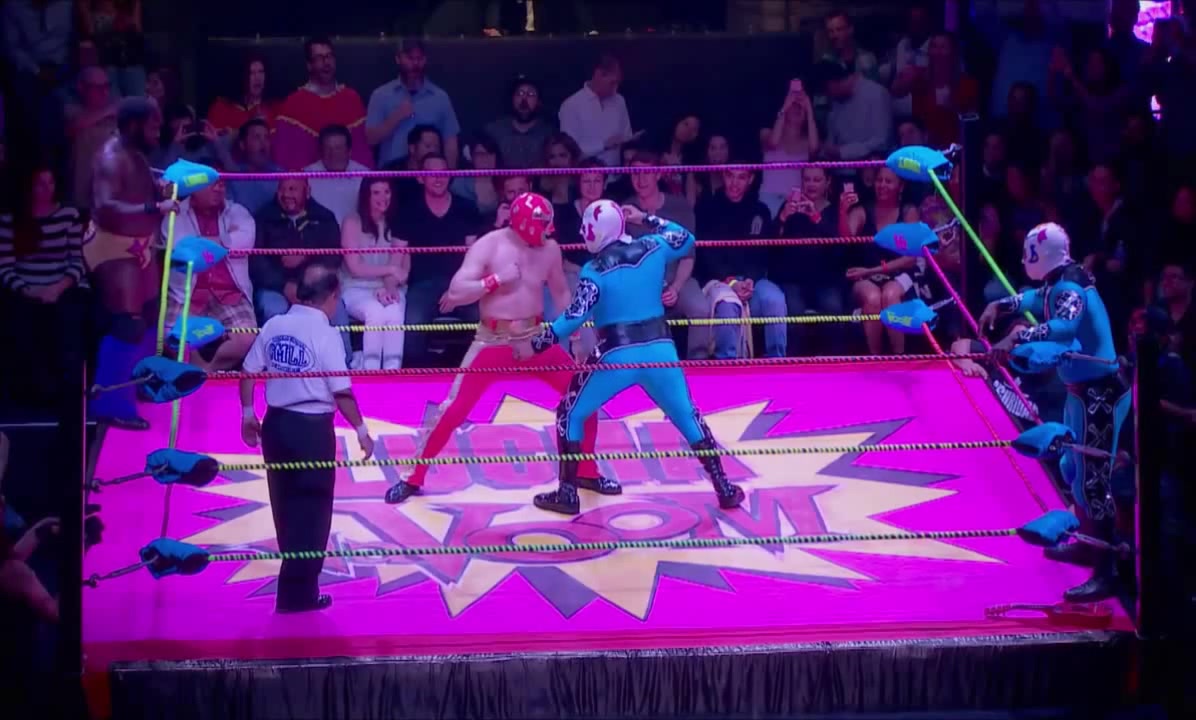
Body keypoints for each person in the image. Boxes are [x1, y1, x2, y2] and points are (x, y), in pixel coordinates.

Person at [384, 193, 615, 504]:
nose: (547, 232)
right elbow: (457, 291)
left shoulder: (549, 249)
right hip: (492, 340)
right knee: (452, 409)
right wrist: (494, 280)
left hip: (535, 339)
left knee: (585, 397)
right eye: (542, 226)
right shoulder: (490, 245)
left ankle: (585, 471)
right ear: (525, 225)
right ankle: (413, 477)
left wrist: (575, 337)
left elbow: (561, 293)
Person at [519, 200, 745, 515]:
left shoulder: (595, 269)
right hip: (660, 351)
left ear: (599, 231)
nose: (583, 233)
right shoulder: (654, 246)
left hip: (618, 353)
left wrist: (538, 342)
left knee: (570, 412)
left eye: (588, 227)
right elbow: (686, 238)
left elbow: (574, 316)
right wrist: (646, 218)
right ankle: (724, 487)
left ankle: (567, 493)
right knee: (687, 415)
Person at [982, 222, 1129, 602]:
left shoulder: (1071, 285)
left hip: (1101, 392)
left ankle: (1107, 571)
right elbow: (1035, 299)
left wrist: (1018, 335)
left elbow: (1063, 327)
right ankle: (1087, 544)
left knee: (1092, 480)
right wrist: (1003, 305)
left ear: (1039, 254)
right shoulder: (1059, 281)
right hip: (1081, 391)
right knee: (1072, 471)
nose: (1024, 258)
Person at [239, 264, 374, 613]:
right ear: (332, 296)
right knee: (311, 512)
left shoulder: (274, 324)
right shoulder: (325, 333)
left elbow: (248, 372)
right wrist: (361, 430)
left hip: (276, 426)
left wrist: (248, 414)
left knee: (285, 506)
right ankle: (297, 597)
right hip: (311, 431)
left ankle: (297, 593)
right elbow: (341, 392)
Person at [87, 96, 178, 430]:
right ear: (134, 125)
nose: (158, 130)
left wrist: (159, 191)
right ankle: (109, 402)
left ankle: (138, 383)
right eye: (153, 125)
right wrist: (154, 208)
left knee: (151, 312)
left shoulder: (136, 153)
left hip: (140, 245)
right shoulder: (111, 158)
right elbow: (106, 207)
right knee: (128, 322)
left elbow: (139, 191)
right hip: (113, 245)